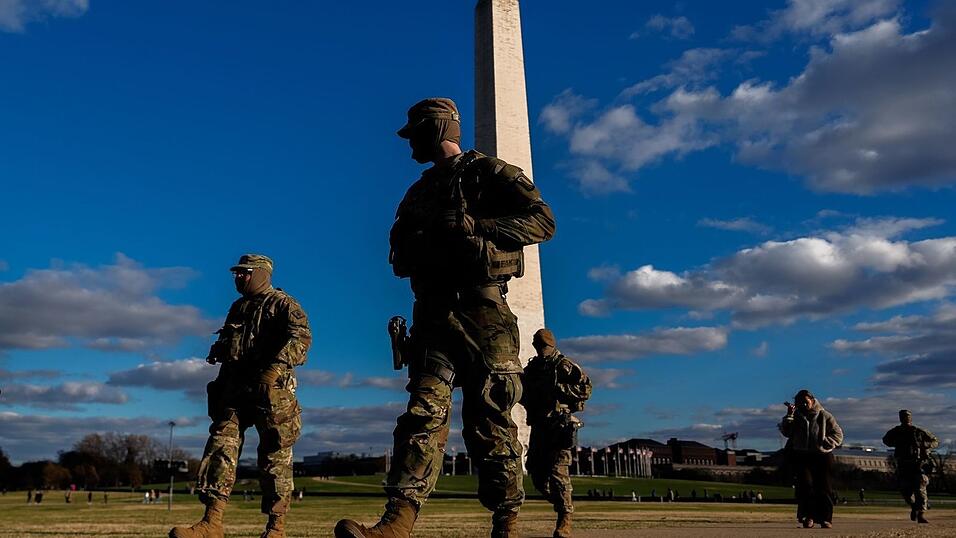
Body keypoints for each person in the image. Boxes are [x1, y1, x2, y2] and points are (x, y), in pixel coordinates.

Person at [334, 97, 555, 538]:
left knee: (490, 422)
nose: (409, 143)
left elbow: (542, 221)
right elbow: (397, 254)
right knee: (421, 415)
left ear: (435, 131)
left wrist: (479, 227)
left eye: (414, 133)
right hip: (432, 316)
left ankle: (505, 521)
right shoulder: (417, 192)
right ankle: (398, 521)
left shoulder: (489, 173)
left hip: (484, 315)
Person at [170, 254, 312, 538]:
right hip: (235, 392)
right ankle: (212, 521)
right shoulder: (238, 308)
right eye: (236, 273)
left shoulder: (284, 304)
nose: (238, 278)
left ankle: (276, 528)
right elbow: (230, 347)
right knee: (220, 447)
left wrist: (274, 370)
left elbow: (301, 339)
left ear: (261, 274)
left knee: (275, 458)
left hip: (271, 394)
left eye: (245, 273)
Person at [522, 328, 592, 538]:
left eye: (545, 347)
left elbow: (586, 388)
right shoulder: (532, 368)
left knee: (558, 473)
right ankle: (563, 503)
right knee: (535, 473)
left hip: (559, 426)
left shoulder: (563, 365)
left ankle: (565, 518)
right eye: (540, 346)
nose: (542, 350)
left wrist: (559, 389)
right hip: (539, 426)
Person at [778, 389, 843, 529]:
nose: (803, 405)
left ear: (812, 401)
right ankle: (808, 517)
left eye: (806, 402)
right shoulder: (796, 417)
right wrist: (789, 415)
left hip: (822, 456)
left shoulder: (825, 415)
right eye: (800, 403)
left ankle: (826, 518)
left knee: (824, 487)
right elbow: (786, 432)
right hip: (802, 456)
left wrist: (826, 442)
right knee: (805, 486)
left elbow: (838, 434)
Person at [882, 409, 939, 523]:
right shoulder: (896, 431)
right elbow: (886, 440)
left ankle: (921, 514)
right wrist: (897, 442)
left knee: (920, 489)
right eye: (903, 416)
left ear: (911, 418)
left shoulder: (918, 431)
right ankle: (914, 507)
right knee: (905, 490)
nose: (905, 418)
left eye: (907, 416)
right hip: (903, 464)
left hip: (918, 464)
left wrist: (923, 445)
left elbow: (935, 441)